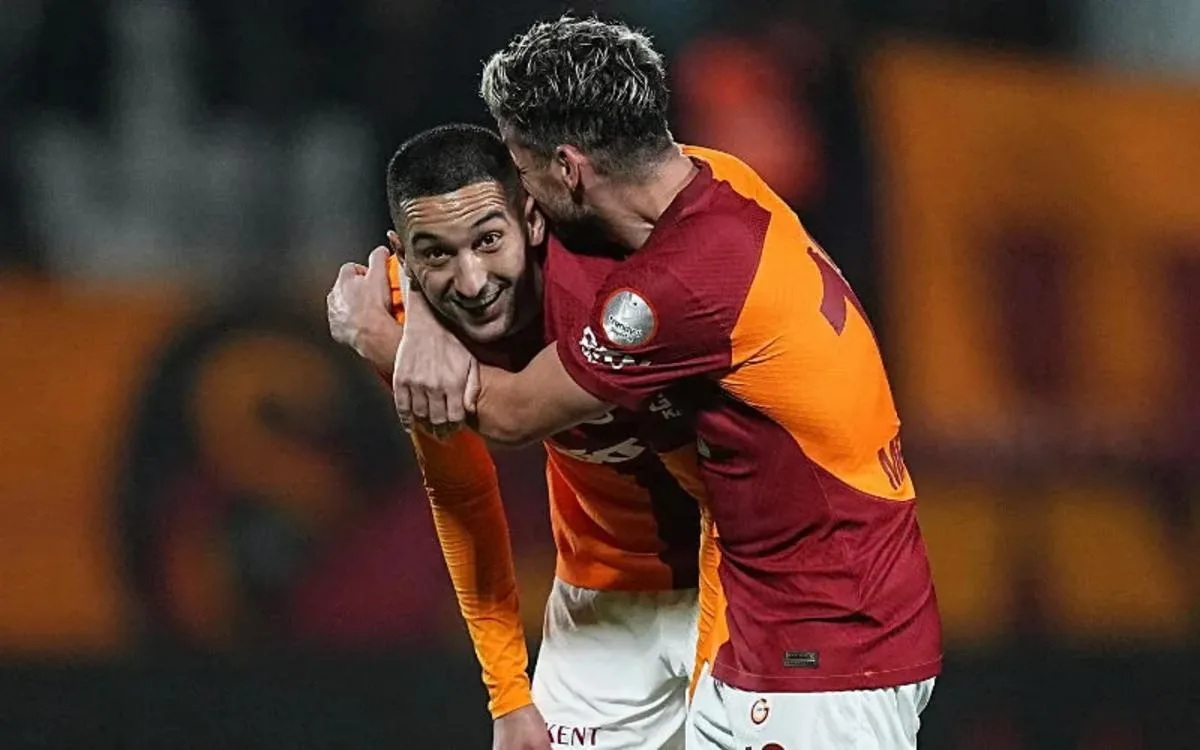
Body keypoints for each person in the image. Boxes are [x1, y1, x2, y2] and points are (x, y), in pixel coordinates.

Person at [391, 17, 942, 750]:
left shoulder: (671, 289)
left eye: (520, 170)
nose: (521, 198)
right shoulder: (720, 179)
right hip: (791, 615)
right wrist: (417, 307)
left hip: (831, 633)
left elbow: (514, 413)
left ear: (568, 169)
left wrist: (386, 335)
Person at [327, 124, 711, 750]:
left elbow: (726, 492)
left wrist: (390, 340)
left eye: (488, 241)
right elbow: (463, 498)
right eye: (436, 255)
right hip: (601, 600)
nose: (472, 282)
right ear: (406, 257)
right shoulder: (405, 326)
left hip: (741, 578)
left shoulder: (619, 283)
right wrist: (508, 694)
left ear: (532, 220)